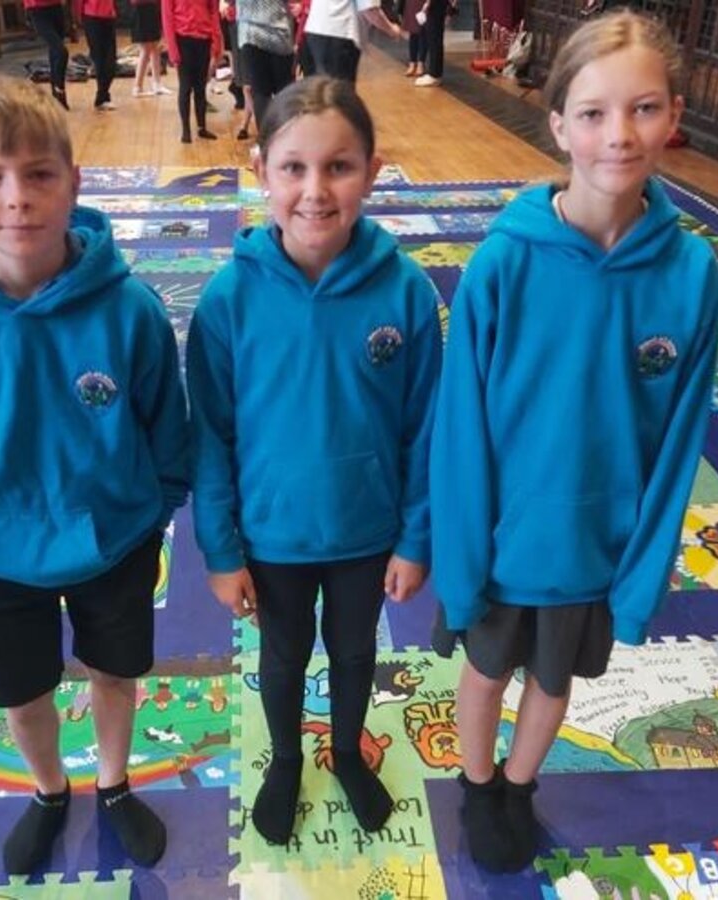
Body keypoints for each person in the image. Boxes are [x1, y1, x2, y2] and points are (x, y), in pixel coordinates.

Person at [428, 9, 718, 874]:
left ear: (673, 116)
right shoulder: (503, 264)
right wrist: (462, 561)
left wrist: (640, 576)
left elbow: (679, 445)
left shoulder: (692, 276)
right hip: (503, 542)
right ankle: (477, 781)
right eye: (594, 113)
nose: (619, 135)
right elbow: (460, 428)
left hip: (595, 549)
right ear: (558, 125)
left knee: (552, 683)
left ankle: (518, 787)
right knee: (486, 674)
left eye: (643, 109)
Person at [0, 74, 191, 875]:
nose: (17, 198)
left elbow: (165, 419)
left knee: (116, 672)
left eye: (38, 174)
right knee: (20, 692)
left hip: (113, 537)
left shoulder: (128, 309)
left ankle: (114, 782)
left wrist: (155, 508)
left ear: (74, 182)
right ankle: (50, 789)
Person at [186, 76, 442, 845]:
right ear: (261, 169)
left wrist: (416, 538)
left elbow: (426, 427)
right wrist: (221, 550)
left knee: (356, 651)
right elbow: (210, 437)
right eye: (293, 168)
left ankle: (348, 753)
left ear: (372, 171)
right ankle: (288, 759)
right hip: (273, 537)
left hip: (368, 533)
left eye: (339, 166)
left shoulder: (406, 292)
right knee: (284, 654)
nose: (315, 190)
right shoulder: (228, 299)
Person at [163, 0, 225, 142]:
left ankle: (202, 127)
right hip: (183, 39)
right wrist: (172, 50)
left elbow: (213, 11)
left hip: (203, 38)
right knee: (185, 87)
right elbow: (167, 17)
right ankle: (186, 130)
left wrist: (216, 40)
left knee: (200, 87)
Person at [232, 0, 297, 129]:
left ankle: (265, 138)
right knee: (284, 92)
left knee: (260, 92)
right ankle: (285, 136)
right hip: (279, 35)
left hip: (250, 34)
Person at [301, 0, 403, 81]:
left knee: (318, 91)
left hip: (314, 31)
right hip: (339, 34)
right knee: (338, 92)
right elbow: (370, 10)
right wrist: (392, 30)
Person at [24, 0, 73, 109]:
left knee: (55, 51)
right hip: (37, 10)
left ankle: (56, 96)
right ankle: (60, 90)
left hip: (56, 7)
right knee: (61, 52)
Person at [81, 0, 121, 109]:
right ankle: (102, 97)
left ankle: (103, 95)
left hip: (109, 17)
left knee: (111, 62)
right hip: (91, 17)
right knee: (100, 59)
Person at [130, 0, 173, 96]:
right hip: (141, 7)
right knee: (145, 49)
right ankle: (137, 87)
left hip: (151, 6)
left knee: (155, 47)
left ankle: (157, 84)